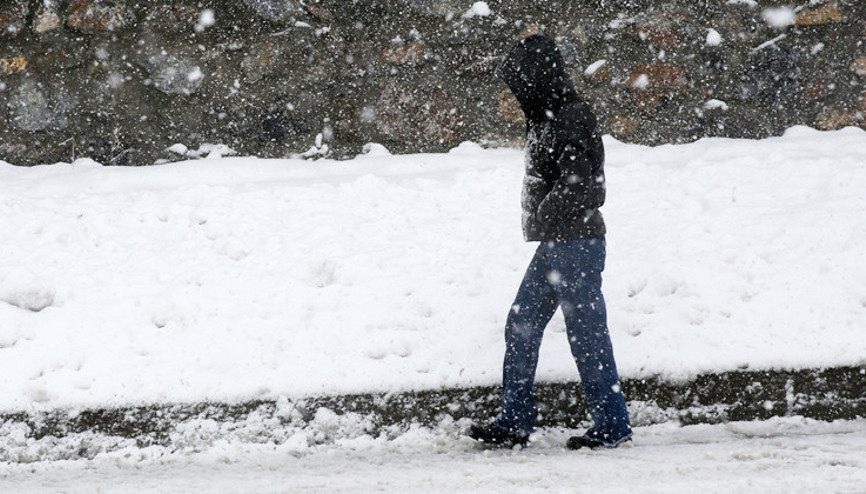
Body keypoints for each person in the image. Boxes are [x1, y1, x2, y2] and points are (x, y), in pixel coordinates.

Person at [467, 34, 632, 450]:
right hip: (558, 244)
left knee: (587, 336)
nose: (516, 93)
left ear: (538, 76)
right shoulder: (548, 115)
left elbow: (580, 182)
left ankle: (613, 425)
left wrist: (545, 212)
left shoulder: (570, 115)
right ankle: (515, 420)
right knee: (521, 325)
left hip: (576, 244)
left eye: (520, 82)